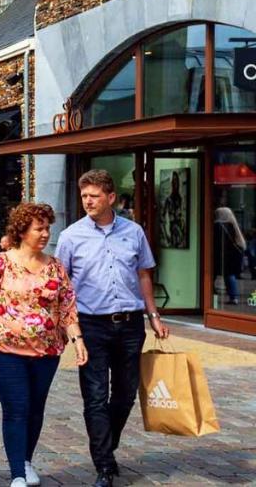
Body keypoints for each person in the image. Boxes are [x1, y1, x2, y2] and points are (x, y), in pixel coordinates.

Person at [56, 169, 169, 487]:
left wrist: (154, 316)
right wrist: (70, 329)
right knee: (94, 397)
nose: (88, 201)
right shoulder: (71, 237)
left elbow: (144, 274)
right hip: (91, 325)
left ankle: (107, 445)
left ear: (111, 198)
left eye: (93, 196)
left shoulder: (133, 232)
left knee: (125, 395)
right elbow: (63, 287)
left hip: (131, 324)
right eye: (83, 196)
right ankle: (104, 466)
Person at [0, 203, 88, 487]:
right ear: (22, 230)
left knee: (35, 408)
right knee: (17, 408)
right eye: (38, 228)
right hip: (6, 352)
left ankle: (26, 460)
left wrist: (77, 340)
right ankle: (17, 474)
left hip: (46, 353)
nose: (44, 234)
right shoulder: (0, 264)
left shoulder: (55, 267)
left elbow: (67, 309)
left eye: (47, 228)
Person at [214, 206, 247, 305]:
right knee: (229, 275)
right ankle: (234, 297)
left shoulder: (219, 226)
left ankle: (230, 296)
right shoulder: (233, 225)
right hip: (232, 255)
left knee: (220, 274)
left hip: (222, 254)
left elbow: (218, 242)